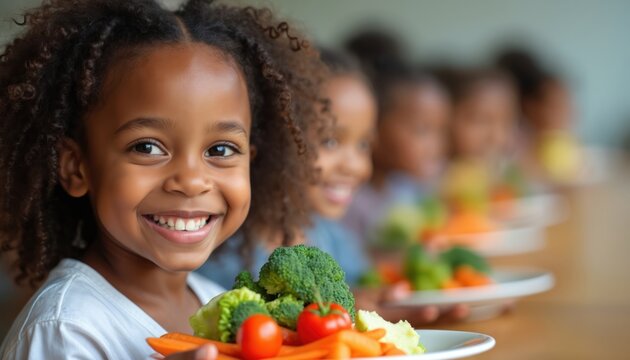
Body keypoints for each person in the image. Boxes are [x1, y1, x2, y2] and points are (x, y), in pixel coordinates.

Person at [0, 0, 326, 359]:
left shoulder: (213, 302)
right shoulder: (64, 329)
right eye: (148, 147)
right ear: (77, 168)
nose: (191, 181)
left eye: (219, 151)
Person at [198, 48, 377, 288]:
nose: (355, 166)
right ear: (276, 139)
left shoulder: (332, 236)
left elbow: (365, 289)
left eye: (363, 144)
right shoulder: (224, 256)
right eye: (330, 142)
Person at [342, 30, 451, 247]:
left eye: (441, 130)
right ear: (374, 129)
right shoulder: (349, 204)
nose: (436, 145)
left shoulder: (405, 188)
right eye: (422, 130)